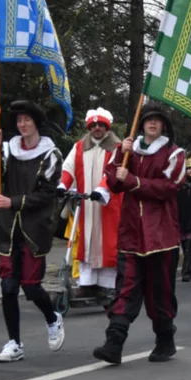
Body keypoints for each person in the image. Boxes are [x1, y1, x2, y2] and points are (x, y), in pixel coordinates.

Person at [93, 104, 186, 365]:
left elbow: (170, 186)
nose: (152, 124)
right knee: (125, 290)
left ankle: (165, 340)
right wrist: (119, 157)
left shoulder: (174, 154)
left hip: (161, 238)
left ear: (164, 126)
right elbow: (112, 183)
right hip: (131, 235)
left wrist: (134, 181)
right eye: (148, 120)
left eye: (157, 120)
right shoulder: (128, 152)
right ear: (142, 124)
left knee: (160, 293)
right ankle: (114, 343)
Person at [0, 100, 65, 363]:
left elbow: (46, 195)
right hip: (9, 227)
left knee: (31, 287)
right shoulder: (7, 151)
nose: (22, 124)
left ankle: (53, 318)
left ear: (35, 122)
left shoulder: (50, 154)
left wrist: (14, 202)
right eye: (19, 120)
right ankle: (14, 343)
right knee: (8, 285)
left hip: (34, 228)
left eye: (27, 120)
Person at [58, 107, 123, 295]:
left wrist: (103, 189)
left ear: (107, 127)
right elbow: (68, 168)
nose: (97, 128)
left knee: (108, 242)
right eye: (93, 125)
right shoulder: (79, 146)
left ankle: (108, 284)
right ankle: (87, 283)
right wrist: (63, 185)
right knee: (87, 241)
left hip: (109, 203)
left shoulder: (116, 148)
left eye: (101, 125)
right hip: (85, 203)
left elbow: (112, 172)